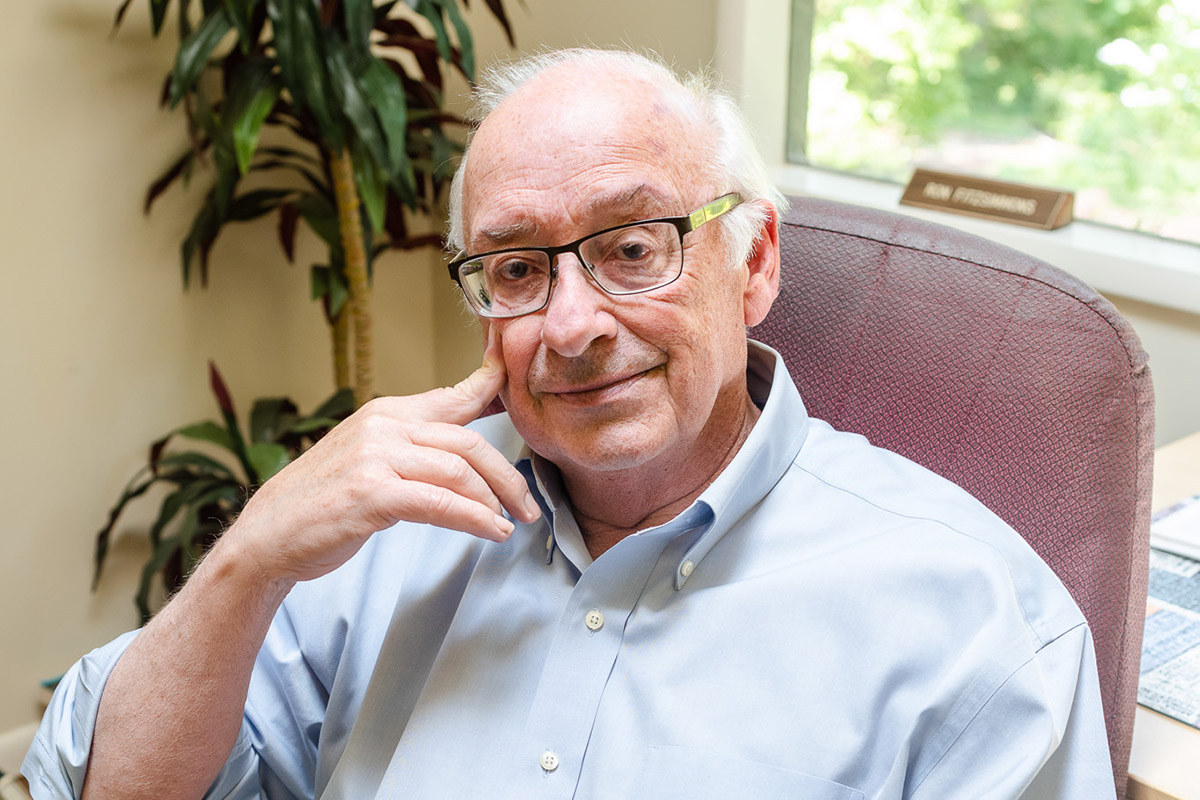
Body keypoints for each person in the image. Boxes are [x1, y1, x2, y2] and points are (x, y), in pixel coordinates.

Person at [25, 48, 1116, 799]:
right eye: (516, 267)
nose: (573, 323)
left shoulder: (974, 618)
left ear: (755, 261)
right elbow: (103, 780)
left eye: (633, 246)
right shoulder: (386, 531)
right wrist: (251, 558)